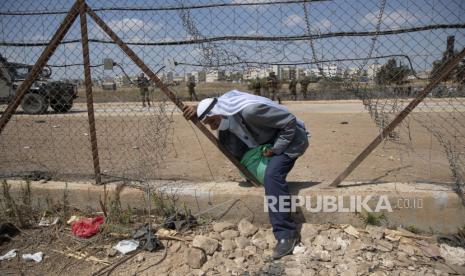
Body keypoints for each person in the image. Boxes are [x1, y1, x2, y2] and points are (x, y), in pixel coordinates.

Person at [182, 90, 309, 260]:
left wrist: (275, 150)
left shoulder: (251, 112)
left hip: (290, 139)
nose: (212, 127)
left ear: (219, 112)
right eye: (209, 124)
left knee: (272, 177)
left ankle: (286, 234)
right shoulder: (224, 108)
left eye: (213, 121)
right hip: (267, 139)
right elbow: (219, 102)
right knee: (231, 147)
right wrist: (199, 109)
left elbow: (290, 123)